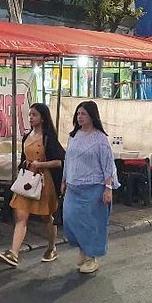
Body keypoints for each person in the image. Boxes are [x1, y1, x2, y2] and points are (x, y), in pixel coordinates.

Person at [0, 103, 65, 268]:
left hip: (43, 181)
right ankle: (14, 252)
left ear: (42, 117)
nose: (31, 117)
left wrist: (41, 165)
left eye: (34, 114)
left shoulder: (49, 138)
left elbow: (60, 161)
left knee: (46, 216)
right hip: (27, 178)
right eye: (30, 115)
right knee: (21, 216)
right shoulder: (27, 136)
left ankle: (51, 247)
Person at [62, 101, 119, 274]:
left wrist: (108, 188)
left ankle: (91, 257)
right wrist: (64, 179)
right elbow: (68, 160)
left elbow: (107, 165)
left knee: (90, 224)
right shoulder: (74, 136)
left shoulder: (100, 139)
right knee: (70, 219)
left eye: (83, 114)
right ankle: (83, 249)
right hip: (73, 186)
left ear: (92, 116)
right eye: (78, 113)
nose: (80, 117)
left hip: (93, 187)